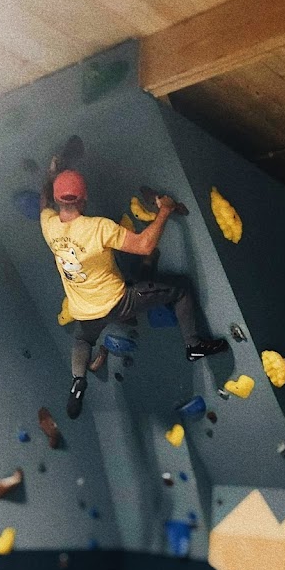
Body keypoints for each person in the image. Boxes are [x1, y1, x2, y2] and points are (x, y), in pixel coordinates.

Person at [40, 163, 228, 419]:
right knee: (181, 290)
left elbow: (43, 203)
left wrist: (50, 177)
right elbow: (144, 246)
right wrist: (165, 210)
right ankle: (193, 345)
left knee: (83, 340)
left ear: (56, 199)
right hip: (119, 301)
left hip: (84, 311)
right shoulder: (98, 227)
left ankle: (78, 380)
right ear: (84, 199)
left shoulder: (48, 225)